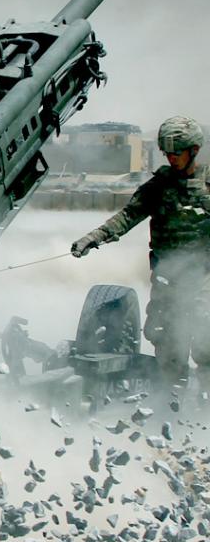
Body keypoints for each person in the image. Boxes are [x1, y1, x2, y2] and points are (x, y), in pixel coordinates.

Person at [71, 115, 210, 389]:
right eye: (167, 153)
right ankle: (170, 401)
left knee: (205, 334)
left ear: (194, 150)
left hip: (205, 275)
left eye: (177, 152)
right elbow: (127, 217)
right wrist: (93, 238)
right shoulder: (158, 187)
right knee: (167, 341)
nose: (171, 158)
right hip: (168, 277)